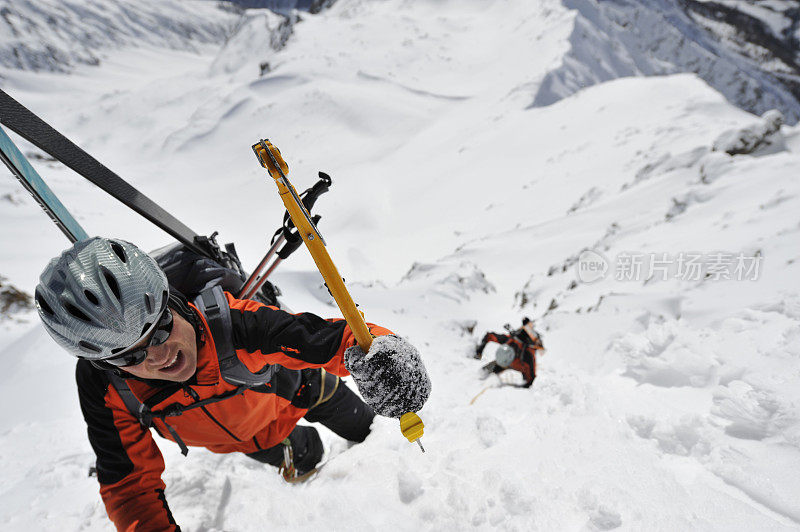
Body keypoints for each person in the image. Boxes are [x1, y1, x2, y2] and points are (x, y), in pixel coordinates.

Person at [34, 237, 431, 531]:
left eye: (158, 331)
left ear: (170, 302)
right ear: (105, 362)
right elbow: (130, 485)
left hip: (307, 392)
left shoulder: (230, 324)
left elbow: (329, 339)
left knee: (372, 434)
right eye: (128, 356)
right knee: (308, 457)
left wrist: (384, 356)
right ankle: (308, 450)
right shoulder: (105, 386)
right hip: (256, 442)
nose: (157, 357)